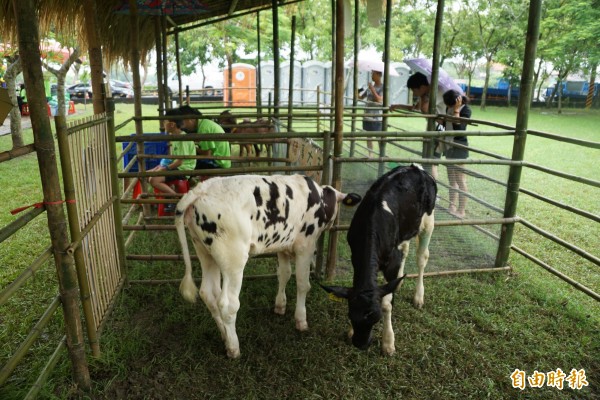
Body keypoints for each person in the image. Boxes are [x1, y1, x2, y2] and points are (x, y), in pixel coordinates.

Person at [390, 72, 448, 179]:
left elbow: (424, 109)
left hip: (439, 129)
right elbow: (416, 107)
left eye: (414, 90)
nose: (414, 93)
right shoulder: (426, 94)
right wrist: (397, 106)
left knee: (432, 162)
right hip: (432, 129)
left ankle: (433, 190)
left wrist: (423, 96)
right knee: (427, 161)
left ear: (421, 87)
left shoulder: (436, 91)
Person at [148, 108, 197, 211]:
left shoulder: (182, 138)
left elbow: (180, 162)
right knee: (149, 175)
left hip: (184, 169)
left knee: (153, 180)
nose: (163, 125)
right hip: (177, 167)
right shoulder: (174, 136)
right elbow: (173, 158)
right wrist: (160, 167)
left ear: (172, 124)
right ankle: (169, 198)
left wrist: (164, 169)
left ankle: (178, 199)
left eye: (165, 122)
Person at [441, 89, 472, 218]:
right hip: (449, 145)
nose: (447, 107)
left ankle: (462, 210)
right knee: (451, 179)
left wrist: (456, 110)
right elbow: (445, 124)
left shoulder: (465, 110)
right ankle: (451, 205)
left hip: (459, 147)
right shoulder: (449, 108)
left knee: (461, 180)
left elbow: (459, 129)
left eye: (449, 105)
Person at [178, 105, 231, 170]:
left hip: (218, 163)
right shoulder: (204, 123)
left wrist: (193, 148)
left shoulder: (203, 128)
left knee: (188, 164)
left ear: (189, 119)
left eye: (182, 123)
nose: (183, 126)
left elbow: (207, 154)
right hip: (223, 161)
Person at [358, 70, 384, 155]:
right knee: (368, 137)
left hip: (376, 117)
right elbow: (361, 98)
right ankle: (370, 154)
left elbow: (379, 100)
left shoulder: (383, 87)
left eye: (373, 74)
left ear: (379, 75)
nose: (371, 75)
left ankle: (381, 154)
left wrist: (373, 89)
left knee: (379, 137)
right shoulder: (370, 87)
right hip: (367, 115)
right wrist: (357, 92)